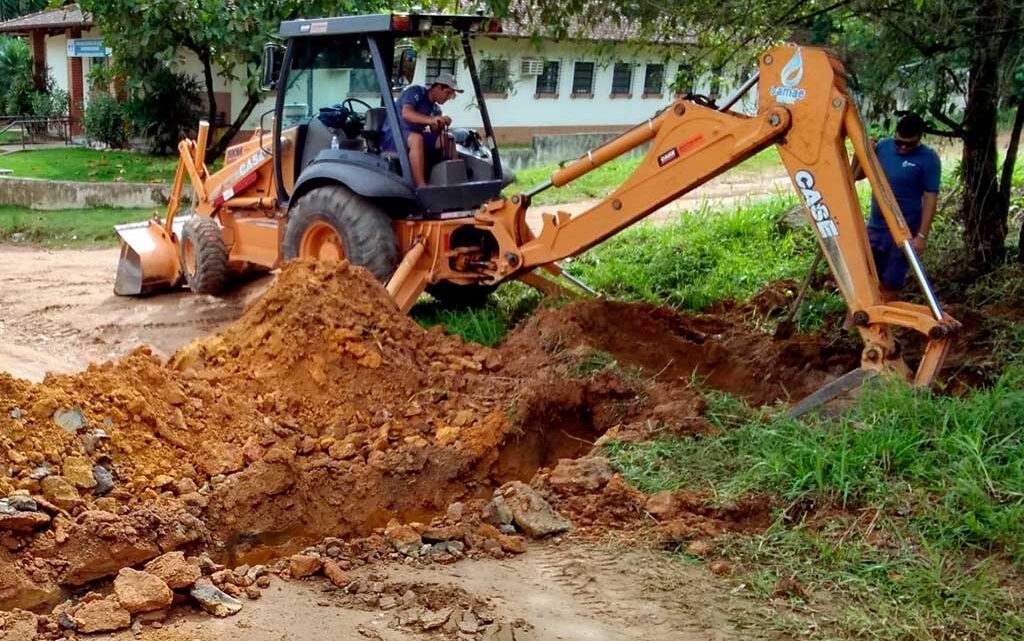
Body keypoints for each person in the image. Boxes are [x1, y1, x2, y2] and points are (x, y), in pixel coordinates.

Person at [862, 113, 941, 301]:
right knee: (864, 279)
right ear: (895, 134)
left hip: (903, 232)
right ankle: (849, 328)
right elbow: (856, 176)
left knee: (890, 283)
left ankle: (881, 328)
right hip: (875, 227)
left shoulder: (929, 159)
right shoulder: (882, 147)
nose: (903, 148)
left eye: (909, 144)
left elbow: (931, 198)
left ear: (920, 138)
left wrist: (921, 236)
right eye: (899, 143)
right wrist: (864, 151)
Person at [381, 72, 462, 187]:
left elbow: (435, 132)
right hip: (394, 135)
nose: (448, 97)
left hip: (412, 137)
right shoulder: (416, 92)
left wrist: (440, 123)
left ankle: (456, 181)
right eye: (448, 93)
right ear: (438, 87)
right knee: (416, 139)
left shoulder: (435, 109)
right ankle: (421, 186)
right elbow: (406, 114)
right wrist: (432, 119)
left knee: (448, 139)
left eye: (451, 95)